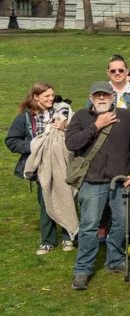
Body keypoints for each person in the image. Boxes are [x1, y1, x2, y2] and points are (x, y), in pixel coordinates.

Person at [66, 82, 130, 290]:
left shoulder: (126, 117)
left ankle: (115, 260)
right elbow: (72, 143)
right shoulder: (81, 117)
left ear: (113, 97)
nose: (101, 99)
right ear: (91, 98)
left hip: (121, 181)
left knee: (121, 223)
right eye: (97, 95)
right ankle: (82, 269)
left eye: (105, 95)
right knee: (89, 226)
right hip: (91, 182)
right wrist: (96, 126)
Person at [7, 82, 75, 255]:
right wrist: (35, 145)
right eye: (46, 96)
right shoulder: (24, 118)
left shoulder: (62, 112)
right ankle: (48, 240)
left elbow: (75, 133)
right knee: (45, 200)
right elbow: (11, 141)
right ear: (35, 97)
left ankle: (69, 236)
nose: (51, 99)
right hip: (40, 167)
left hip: (62, 163)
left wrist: (65, 126)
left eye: (52, 95)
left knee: (68, 196)